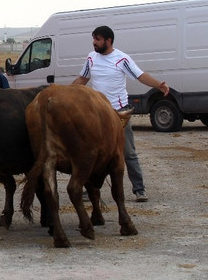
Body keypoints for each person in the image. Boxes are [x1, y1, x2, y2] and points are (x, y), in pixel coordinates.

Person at [72, 25, 169, 202]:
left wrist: (158, 85)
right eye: (93, 38)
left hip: (119, 114)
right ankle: (90, 188)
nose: (94, 42)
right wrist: (66, 93)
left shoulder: (121, 59)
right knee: (93, 151)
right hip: (98, 113)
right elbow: (82, 79)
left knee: (127, 151)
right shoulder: (91, 58)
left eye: (98, 39)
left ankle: (139, 189)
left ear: (108, 41)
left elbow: (140, 75)